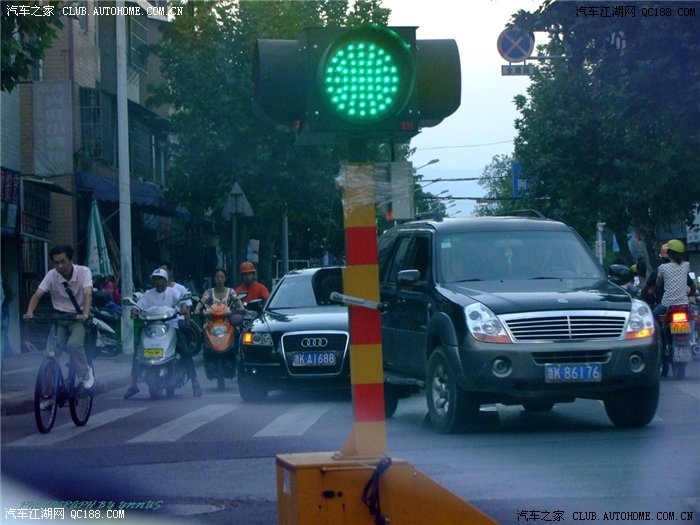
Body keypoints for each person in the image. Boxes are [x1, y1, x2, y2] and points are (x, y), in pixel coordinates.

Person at [123, 268, 202, 398]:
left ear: (166, 281)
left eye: (161, 279)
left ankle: (195, 382)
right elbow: (139, 305)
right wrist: (134, 310)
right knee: (138, 352)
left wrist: (183, 309)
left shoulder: (173, 292)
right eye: (156, 279)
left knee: (185, 351)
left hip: (171, 326)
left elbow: (182, 303)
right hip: (151, 328)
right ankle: (133, 384)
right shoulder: (148, 294)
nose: (158, 282)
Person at [23, 245, 94, 389]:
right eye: (56, 263)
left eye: (63, 261)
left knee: (74, 345)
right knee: (50, 354)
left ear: (70, 259)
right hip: (59, 319)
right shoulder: (51, 275)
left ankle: (85, 372)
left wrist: (85, 314)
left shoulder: (83, 272)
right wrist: (29, 312)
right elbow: (37, 295)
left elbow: (88, 294)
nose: (60, 266)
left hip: (78, 318)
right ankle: (49, 394)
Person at [653, 239, 696, 320]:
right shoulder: (686, 265)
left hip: (667, 304)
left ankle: (658, 333)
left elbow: (658, 284)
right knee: (694, 317)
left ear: (668, 254)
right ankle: (693, 332)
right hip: (684, 303)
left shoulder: (662, 267)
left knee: (652, 317)